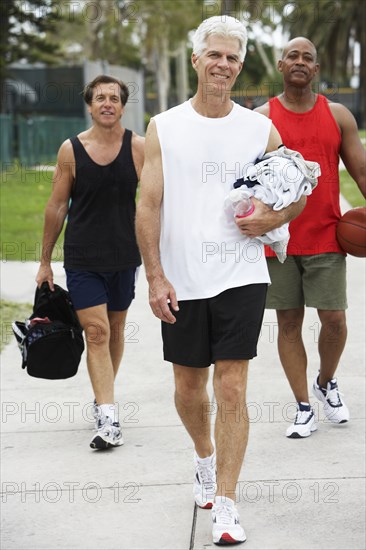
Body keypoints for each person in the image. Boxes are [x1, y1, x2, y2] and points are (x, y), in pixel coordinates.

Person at [136, 16, 306, 546]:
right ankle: (204, 458)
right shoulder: (164, 125)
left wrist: (275, 220)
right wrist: (156, 275)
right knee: (189, 388)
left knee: (232, 385)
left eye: (233, 57)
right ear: (196, 59)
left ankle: (227, 502)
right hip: (182, 278)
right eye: (215, 54)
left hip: (240, 272)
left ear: (240, 65)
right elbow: (148, 203)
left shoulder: (259, 128)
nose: (223, 65)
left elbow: (299, 185)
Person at [255, 37, 366, 438]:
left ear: (316, 69)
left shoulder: (337, 116)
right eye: (293, 56)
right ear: (281, 66)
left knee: (334, 320)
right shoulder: (262, 117)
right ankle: (303, 406)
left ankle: (325, 382)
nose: (300, 62)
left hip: (328, 235)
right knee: (289, 323)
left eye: (308, 57)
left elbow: (362, 173)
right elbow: (247, 181)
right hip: (279, 240)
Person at [36, 75, 145, 450]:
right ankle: (109, 417)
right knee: (96, 333)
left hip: (124, 257)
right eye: (100, 98)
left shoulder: (139, 148)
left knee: (114, 331)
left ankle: (103, 398)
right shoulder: (71, 150)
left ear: (122, 105)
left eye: (114, 97)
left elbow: (153, 203)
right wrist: (45, 261)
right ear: (90, 105)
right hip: (82, 257)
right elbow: (56, 206)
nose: (107, 103)